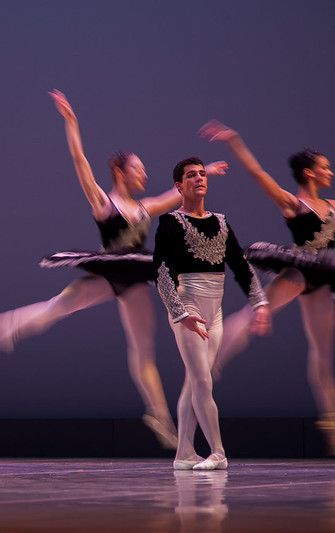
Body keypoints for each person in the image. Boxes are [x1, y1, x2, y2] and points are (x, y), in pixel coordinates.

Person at [0, 90, 227, 448]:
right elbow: (79, 160)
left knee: (143, 348)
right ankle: (1, 328)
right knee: (58, 307)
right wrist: (71, 121)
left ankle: (158, 414)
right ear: (120, 172)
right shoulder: (103, 202)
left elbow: (175, 196)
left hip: (134, 279)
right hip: (109, 273)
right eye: (138, 168)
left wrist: (208, 173)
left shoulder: (145, 207)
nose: (144, 173)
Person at [199, 120, 335, 452]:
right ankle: (208, 365)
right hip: (300, 270)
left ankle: (331, 420)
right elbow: (257, 172)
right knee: (254, 313)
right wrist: (234, 140)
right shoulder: (293, 204)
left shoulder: (334, 206)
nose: (330, 173)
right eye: (325, 168)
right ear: (309, 173)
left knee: (321, 352)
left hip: (323, 280)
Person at [154, 157, 270, 470]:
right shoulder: (170, 223)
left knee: (194, 383)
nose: (199, 179)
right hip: (188, 308)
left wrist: (259, 303)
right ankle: (218, 452)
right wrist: (180, 314)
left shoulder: (220, 221)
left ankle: (183, 453)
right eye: (192, 175)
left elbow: (241, 266)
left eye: (203, 174)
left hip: (214, 312)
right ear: (179, 186)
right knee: (203, 382)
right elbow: (162, 272)